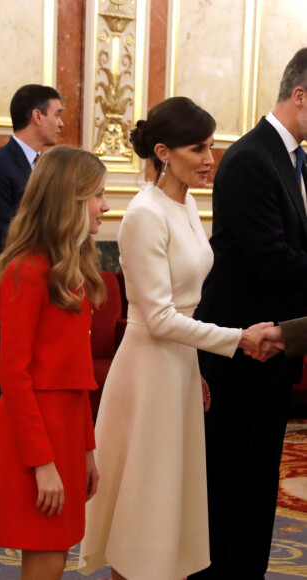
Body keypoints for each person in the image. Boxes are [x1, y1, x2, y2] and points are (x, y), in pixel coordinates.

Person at [78, 97, 271, 580]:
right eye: (198, 148)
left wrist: (196, 368)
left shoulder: (184, 204)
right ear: (163, 152)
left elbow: (187, 305)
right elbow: (160, 317)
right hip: (148, 369)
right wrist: (238, 339)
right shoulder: (145, 212)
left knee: (169, 504)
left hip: (180, 366)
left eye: (211, 145)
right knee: (142, 505)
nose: (210, 158)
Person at [193, 48, 307, 580]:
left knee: (258, 484)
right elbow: (274, 261)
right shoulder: (250, 159)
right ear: (300, 96)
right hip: (240, 353)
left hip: (276, 351)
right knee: (228, 488)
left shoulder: (291, 158)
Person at [0, 145, 108, 580]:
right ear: (67, 200)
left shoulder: (69, 267)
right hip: (34, 433)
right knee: (46, 553)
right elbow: (12, 376)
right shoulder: (27, 269)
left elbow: (79, 376)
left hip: (68, 425)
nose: (105, 206)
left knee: (59, 548)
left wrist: (88, 448)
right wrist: (43, 462)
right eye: (96, 195)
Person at [0, 83, 64, 511]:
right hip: (11, 289)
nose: (62, 122)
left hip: (44, 291)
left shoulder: (45, 167)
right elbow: (2, 234)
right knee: (1, 387)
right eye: (58, 113)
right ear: (36, 116)